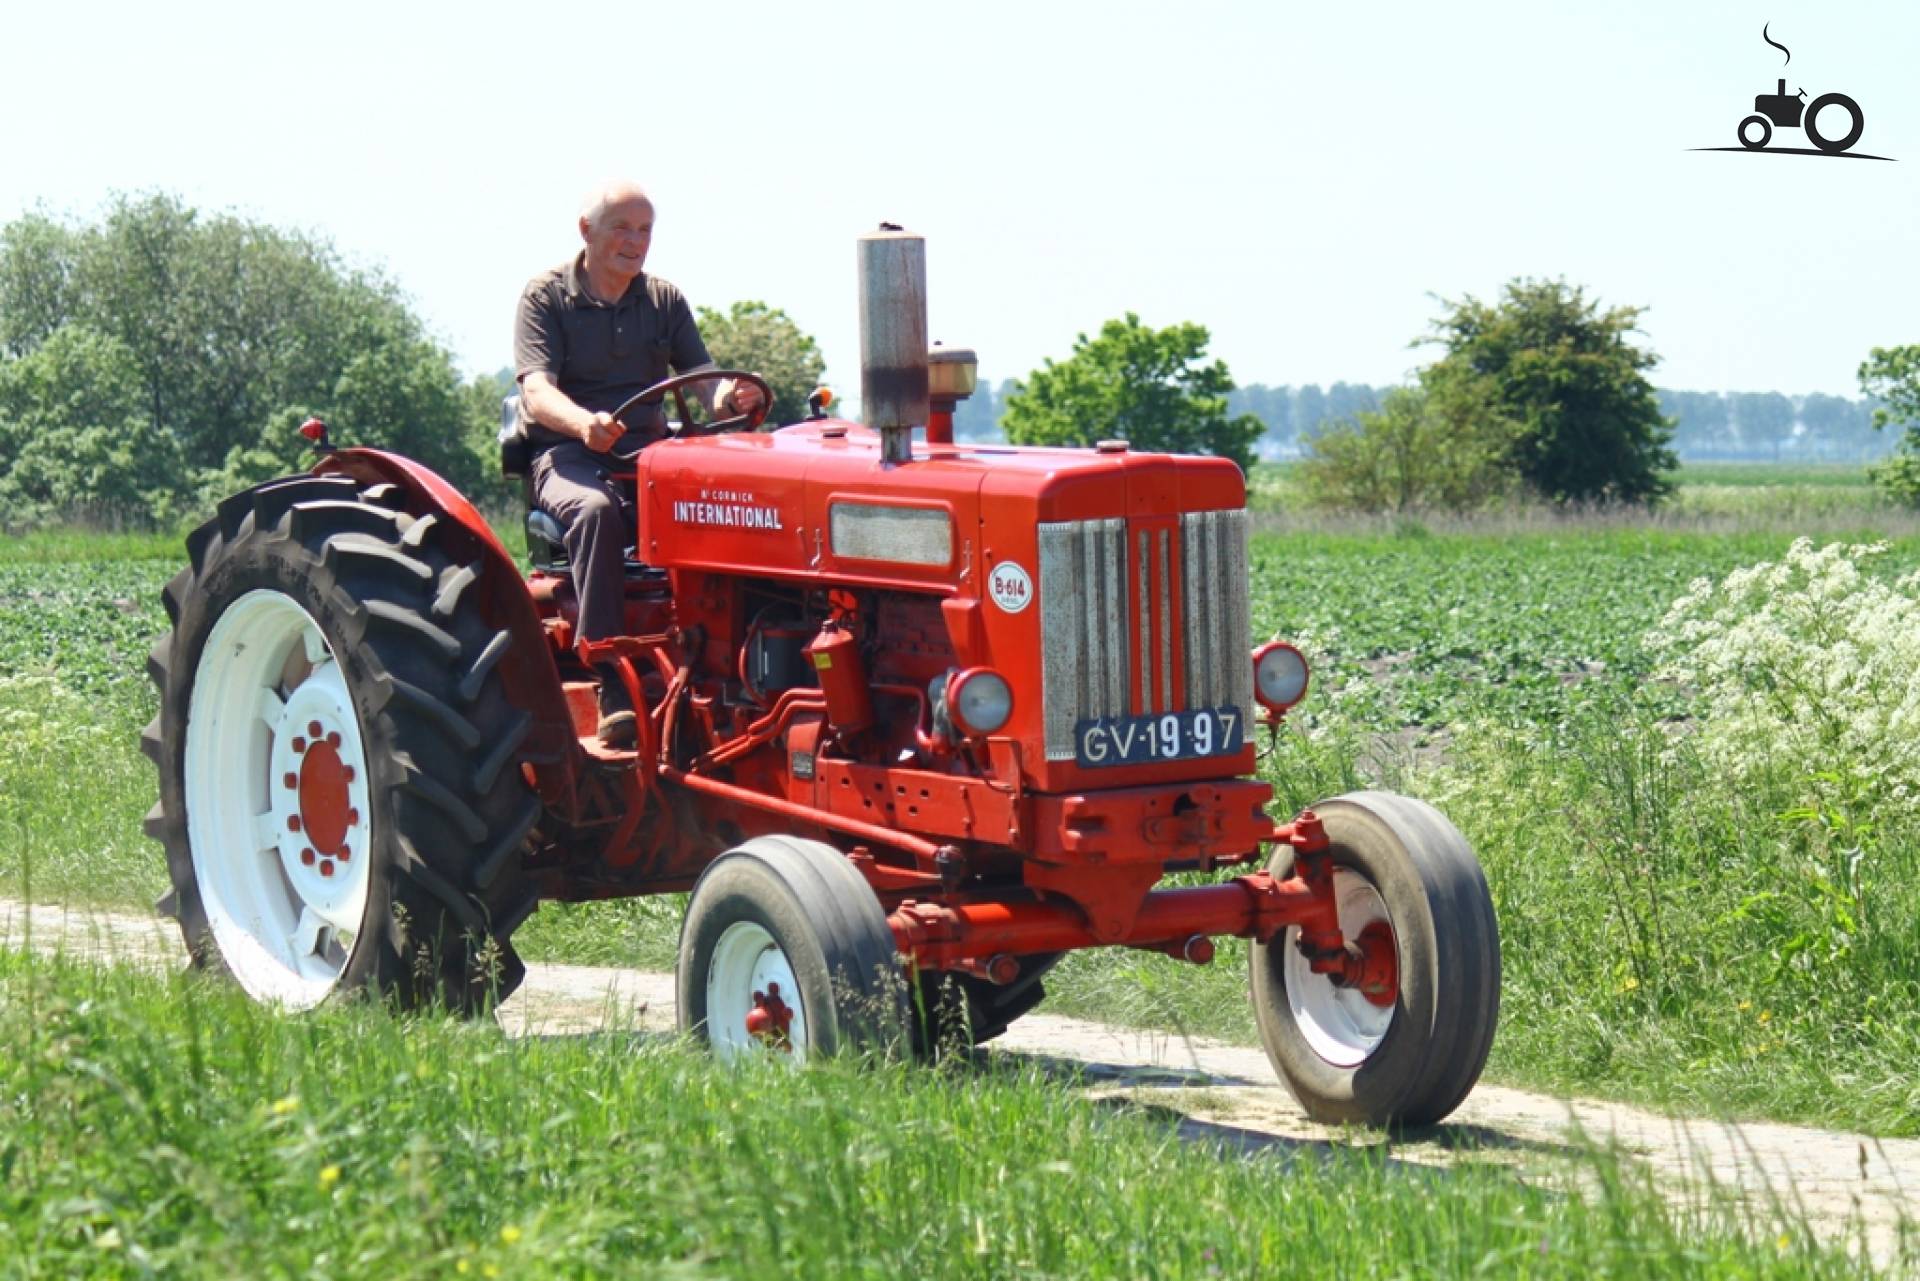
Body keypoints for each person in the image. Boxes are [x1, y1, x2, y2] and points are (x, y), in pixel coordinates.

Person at [514, 181, 762, 747]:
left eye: (645, 229)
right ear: (587, 230)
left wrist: (729, 399)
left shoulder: (664, 300)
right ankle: (608, 675)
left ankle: (732, 661)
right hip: (569, 451)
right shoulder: (546, 297)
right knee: (596, 510)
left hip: (652, 453)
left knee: (735, 498)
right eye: (622, 228)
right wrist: (583, 424)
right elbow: (536, 392)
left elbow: (706, 382)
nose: (635, 241)